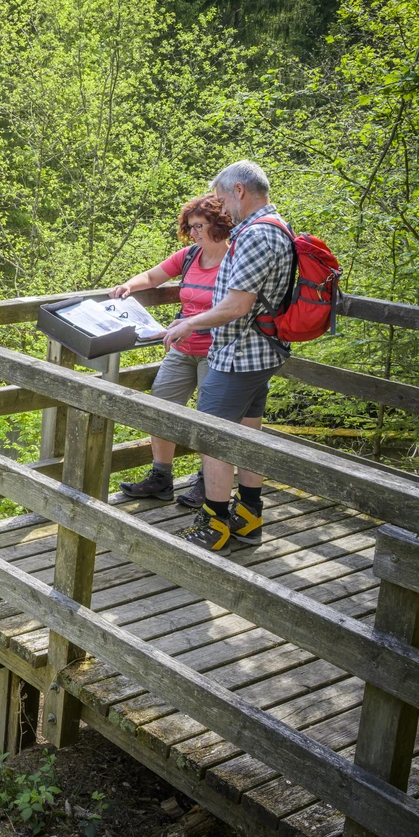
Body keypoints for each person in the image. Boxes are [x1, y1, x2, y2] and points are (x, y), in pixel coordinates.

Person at [162, 160, 296, 552]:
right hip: (260, 354)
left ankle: (215, 523)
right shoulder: (278, 227)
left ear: (239, 191)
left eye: (222, 197)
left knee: (214, 439)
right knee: (248, 435)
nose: (221, 207)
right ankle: (250, 516)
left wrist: (190, 324)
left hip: (238, 356)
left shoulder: (256, 234)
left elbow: (237, 305)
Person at [108, 195, 233, 505]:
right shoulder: (190, 256)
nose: (193, 233)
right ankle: (161, 478)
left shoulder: (236, 260)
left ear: (219, 224)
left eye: (198, 226)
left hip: (217, 352)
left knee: (210, 421)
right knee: (160, 408)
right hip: (182, 347)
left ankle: (208, 483)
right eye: (189, 227)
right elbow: (153, 276)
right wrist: (129, 286)